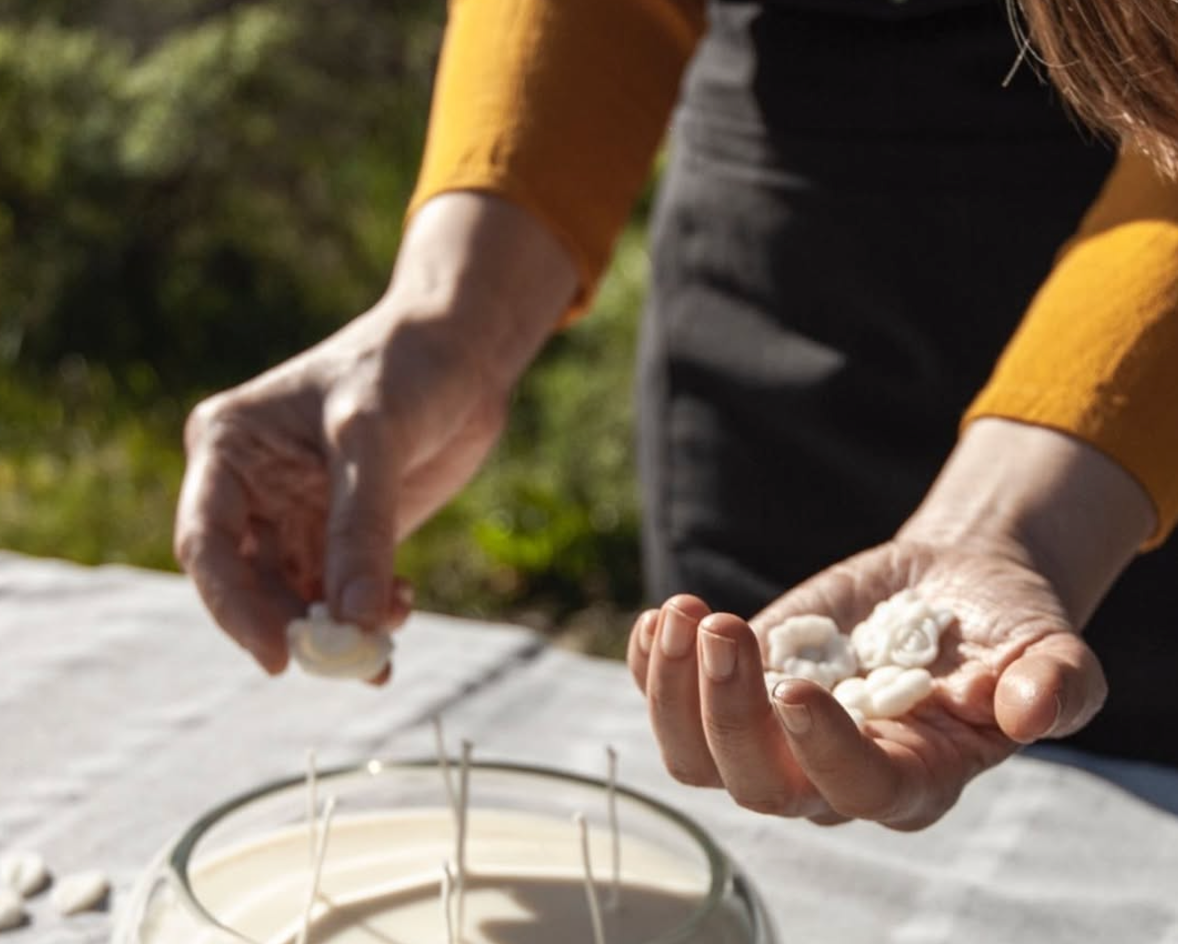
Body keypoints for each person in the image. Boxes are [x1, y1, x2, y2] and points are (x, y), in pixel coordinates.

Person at [176, 0, 1178, 830]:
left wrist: (1022, 512)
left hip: (1148, 367)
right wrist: (451, 313)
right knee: (763, 786)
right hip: (771, 266)